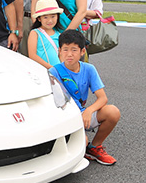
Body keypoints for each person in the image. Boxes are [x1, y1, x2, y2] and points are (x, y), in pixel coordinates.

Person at [50, 29, 121, 166]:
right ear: (59, 51)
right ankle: (79, 142)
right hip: (65, 117)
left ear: (82, 51)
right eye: (65, 50)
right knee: (82, 143)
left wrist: (89, 111)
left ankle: (95, 147)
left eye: (74, 50)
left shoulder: (89, 69)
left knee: (113, 112)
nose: (69, 54)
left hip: (82, 114)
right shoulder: (54, 71)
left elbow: (102, 98)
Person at [26, 0, 64, 69]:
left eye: (53, 16)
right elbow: (32, 55)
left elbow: (61, 56)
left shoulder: (59, 35)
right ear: (39, 19)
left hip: (56, 71)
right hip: (41, 70)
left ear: (57, 17)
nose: (50, 21)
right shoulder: (35, 33)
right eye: (45, 17)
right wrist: (50, 67)